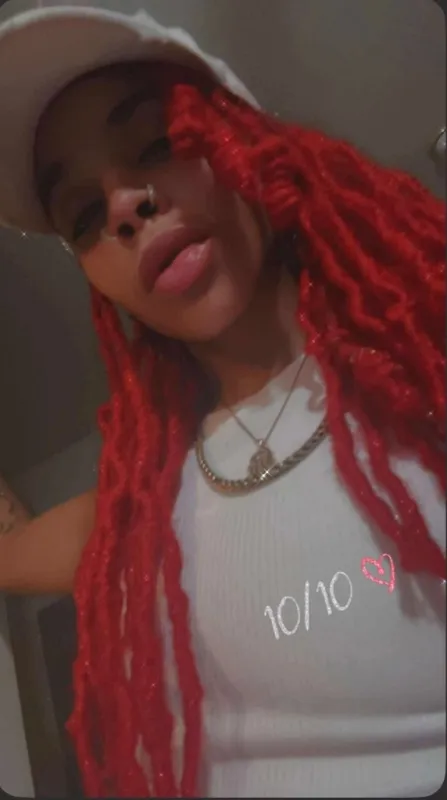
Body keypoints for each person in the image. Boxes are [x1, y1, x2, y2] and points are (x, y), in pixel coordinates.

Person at [0, 3, 445, 798]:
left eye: (156, 145)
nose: (123, 204)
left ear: (247, 141)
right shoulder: (131, 518)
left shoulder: (425, 363)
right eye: (85, 215)